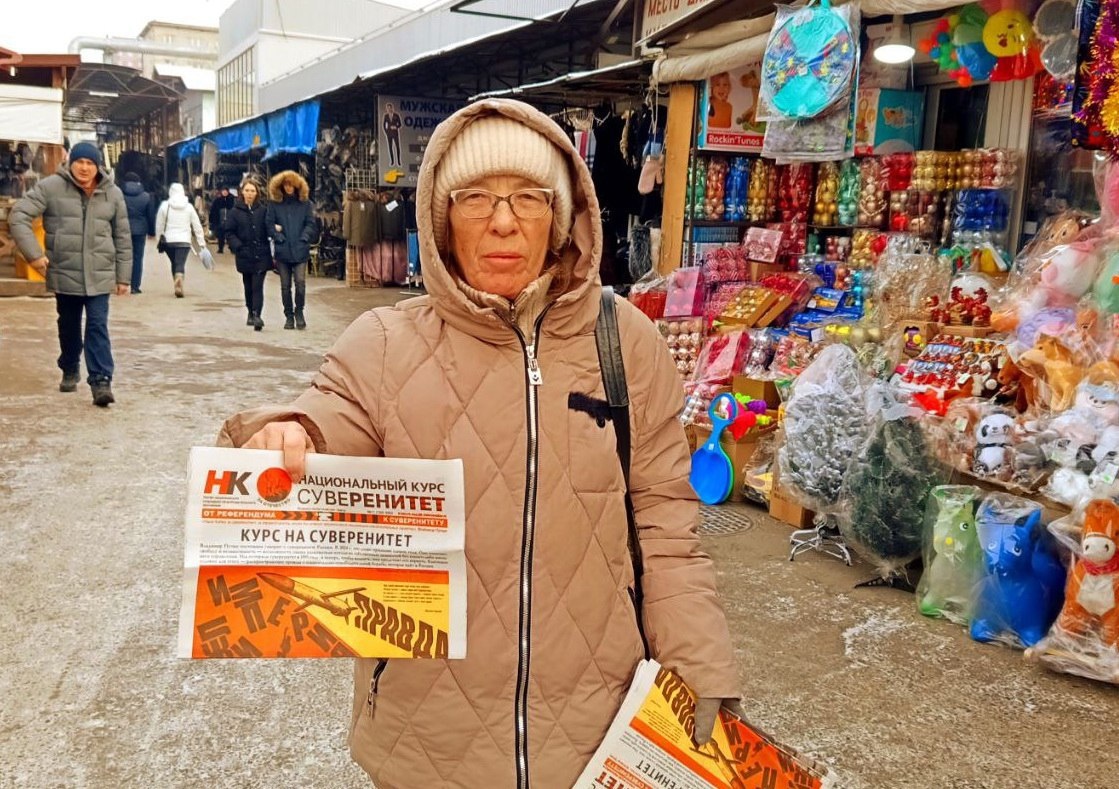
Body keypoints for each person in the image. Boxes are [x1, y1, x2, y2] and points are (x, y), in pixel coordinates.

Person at [219, 99, 741, 788]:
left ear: (560, 216)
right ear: (441, 218)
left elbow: (665, 525)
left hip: (594, 728)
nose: (503, 221)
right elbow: (330, 413)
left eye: (528, 197)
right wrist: (292, 430)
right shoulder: (384, 342)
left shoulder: (625, 343)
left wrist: (698, 660)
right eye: (475, 198)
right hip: (427, 735)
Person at [9, 141, 131, 407]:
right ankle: (69, 365)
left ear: (98, 166)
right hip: (64, 271)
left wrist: (123, 277)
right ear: (70, 163)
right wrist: (34, 255)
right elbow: (18, 216)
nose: (84, 168)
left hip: (99, 272)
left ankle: (101, 380)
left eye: (90, 163)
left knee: (97, 324)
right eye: (80, 162)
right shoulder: (51, 187)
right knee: (69, 324)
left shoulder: (113, 193)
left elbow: (122, 236)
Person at [266, 170, 317, 330]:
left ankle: (299, 311)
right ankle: (288, 315)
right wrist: (278, 237)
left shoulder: (305, 204)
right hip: (283, 250)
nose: (288, 188)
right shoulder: (274, 204)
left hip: (300, 249)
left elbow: (310, 223)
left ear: (296, 186)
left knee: (300, 283)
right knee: (285, 285)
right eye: (285, 185)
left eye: (291, 185)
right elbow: (269, 224)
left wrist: (304, 238)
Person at [224, 177, 271, 331]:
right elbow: (229, 232)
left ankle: (257, 315)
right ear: (242, 192)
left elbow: (268, 228)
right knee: (248, 285)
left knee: (258, 285)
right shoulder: (235, 212)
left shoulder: (263, 211)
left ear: (257, 193)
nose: (250, 193)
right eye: (247, 190)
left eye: (252, 191)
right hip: (244, 254)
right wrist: (237, 246)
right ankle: (250, 310)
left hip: (261, 254)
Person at [155, 182, 207, 298]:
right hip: (184, 241)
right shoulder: (189, 207)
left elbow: (159, 224)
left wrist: (159, 239)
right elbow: (197, 225)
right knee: (180, 262)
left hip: (169, 241)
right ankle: (179, 277)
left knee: (174, 262)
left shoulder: (165, 206)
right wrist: (201, 243)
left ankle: (176, 280)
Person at [120, 172, 155, 294]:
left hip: (122, 230)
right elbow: (150, 216)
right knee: (137, 258)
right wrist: (152, 232)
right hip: (140, 231)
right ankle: (135, 286)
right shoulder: (146, 196)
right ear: (138, 182)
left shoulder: (119, 195)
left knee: (122, 256)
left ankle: (121, 282)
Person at [208, 188, 234, 253]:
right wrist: (212, 220)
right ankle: (220, 248)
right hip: (220, 221)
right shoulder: (217, 201)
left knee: (230, 236)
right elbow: (213, 211)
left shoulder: (232, 200)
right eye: (223, 191)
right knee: (220, 236)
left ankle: (232, 248)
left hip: (230, 221)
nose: (225, 192)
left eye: (226, 191)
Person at [382, 102, 403, 167]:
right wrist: (386, 132)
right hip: (389, 134)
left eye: (389, 108)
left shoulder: (396, 115)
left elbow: (400, 124)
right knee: (390, 147)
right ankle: (392, 161)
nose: (388, 109)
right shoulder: (386, 116)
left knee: (397, 147)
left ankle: (399, 161)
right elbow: (384, 125)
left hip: (395, 133)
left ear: (392, 108)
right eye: (387, 108)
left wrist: (396, 127)